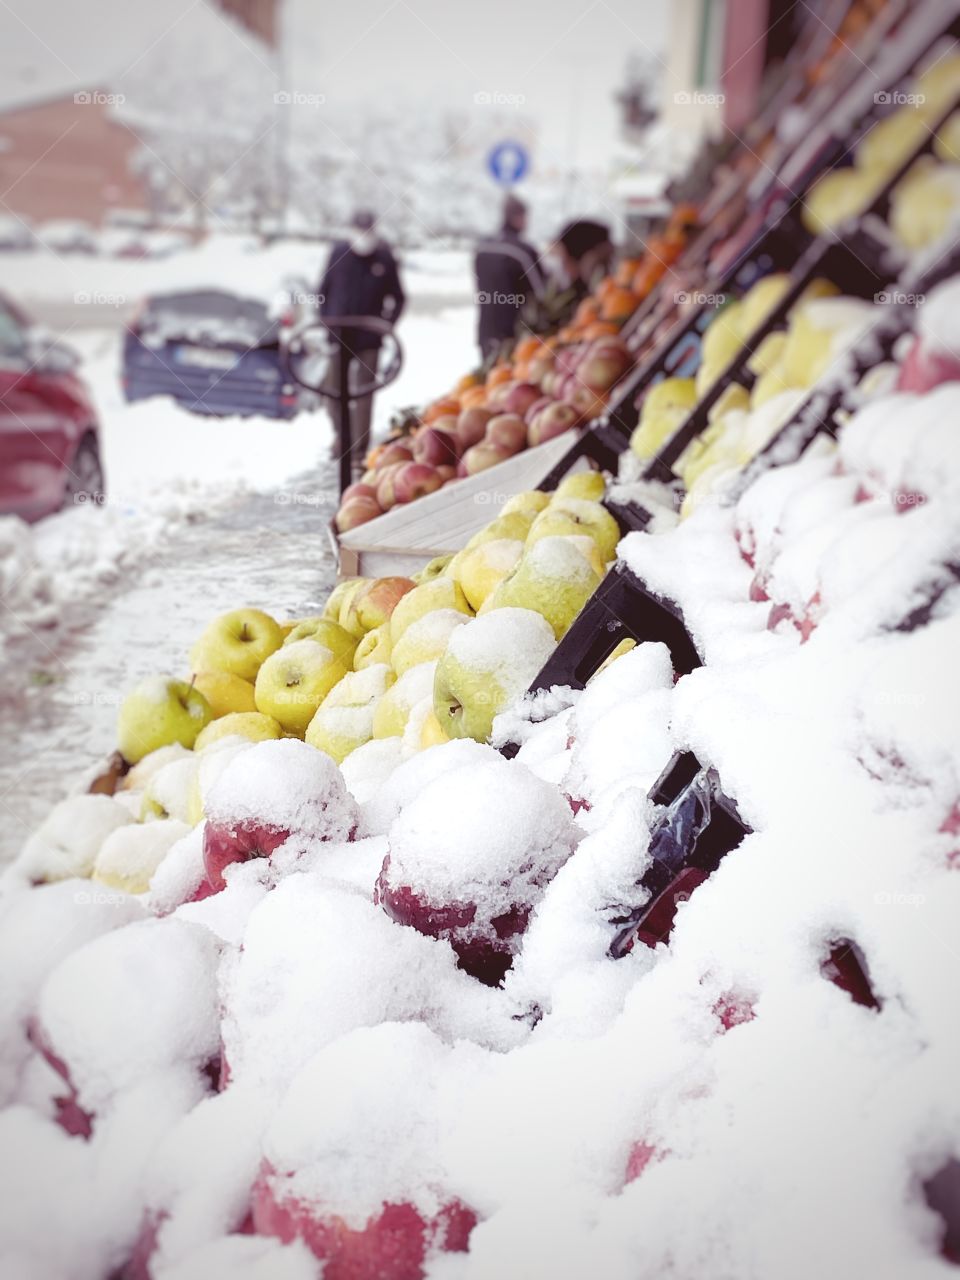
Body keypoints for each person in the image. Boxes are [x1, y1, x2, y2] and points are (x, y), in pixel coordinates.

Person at [317, 210, 405, 471]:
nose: (363, 236)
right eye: (359, 230)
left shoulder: (385, 257)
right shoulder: (339, 253)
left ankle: (358, 451)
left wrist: (385, 326)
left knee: (364, 394)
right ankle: (342, 434)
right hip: (339, 333)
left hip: (369, 336)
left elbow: (398, 297)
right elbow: (323, 290)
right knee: (332, 390)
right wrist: (326, 320)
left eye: (368, 231)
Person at [473, 195, 545, 363]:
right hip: (515, 335)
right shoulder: (522, 251)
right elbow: (542, 292)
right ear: (518, 217)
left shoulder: (482, 248)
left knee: (489, 382)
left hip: (485, 330)